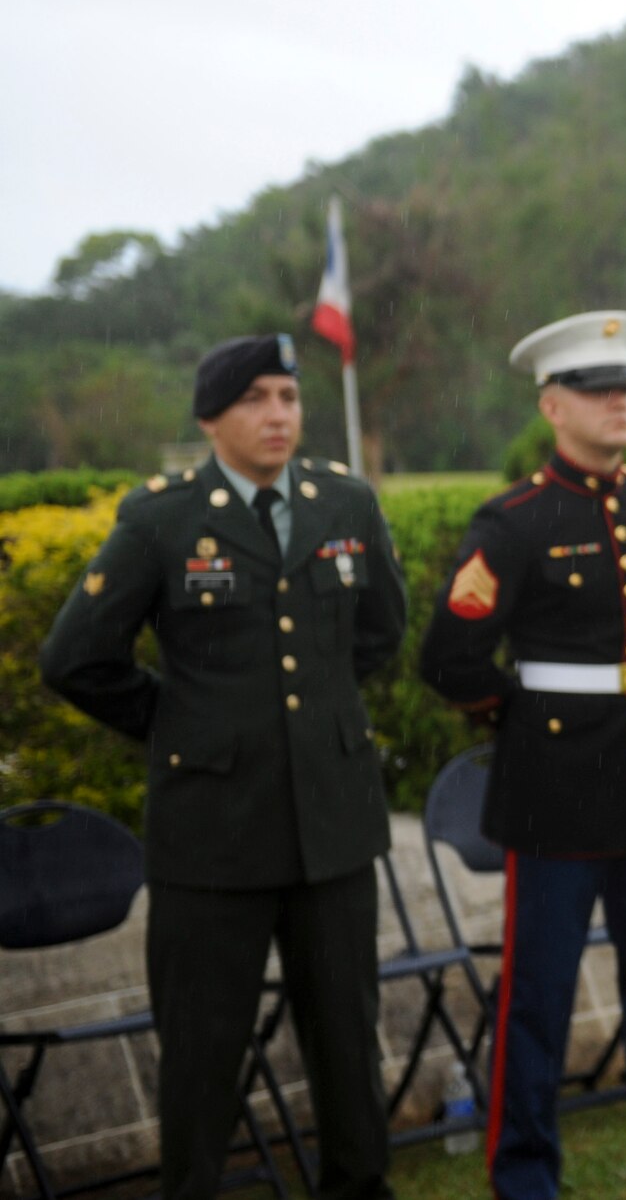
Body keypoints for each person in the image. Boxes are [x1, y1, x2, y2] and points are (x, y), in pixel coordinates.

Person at [41, 333, 406, 1200]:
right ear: (211, 418)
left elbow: (379, 633)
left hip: (333, 825)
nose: (277, 414)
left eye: (288, 395)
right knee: (203, 1056)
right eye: (255, 400)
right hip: (213, 837)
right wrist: (184, 725)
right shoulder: (162, 518)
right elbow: (74, 658)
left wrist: (310, 718)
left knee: (349, 1044)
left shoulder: (345, 504)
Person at [417, 312, 626, 1197]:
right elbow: (447, 655)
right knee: (540, 994)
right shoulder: (515, 521)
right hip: (554, 786)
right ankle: (526, 1170)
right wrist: (522, 714)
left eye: (625, 389)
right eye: (598, 392)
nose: (618, 404)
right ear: (552, 405)